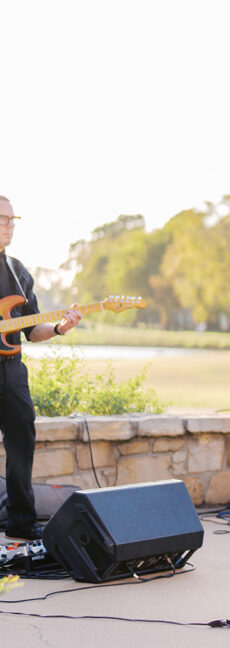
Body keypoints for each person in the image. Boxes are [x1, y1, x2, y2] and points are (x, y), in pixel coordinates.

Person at [0, 196, 82, 541]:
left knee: (22, 443)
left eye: (12, 218)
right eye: (3, 218)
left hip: (12, 371)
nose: (10, 224)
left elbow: (33, 330)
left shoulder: (18, 273)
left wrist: (61, 327)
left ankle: (21, 522)